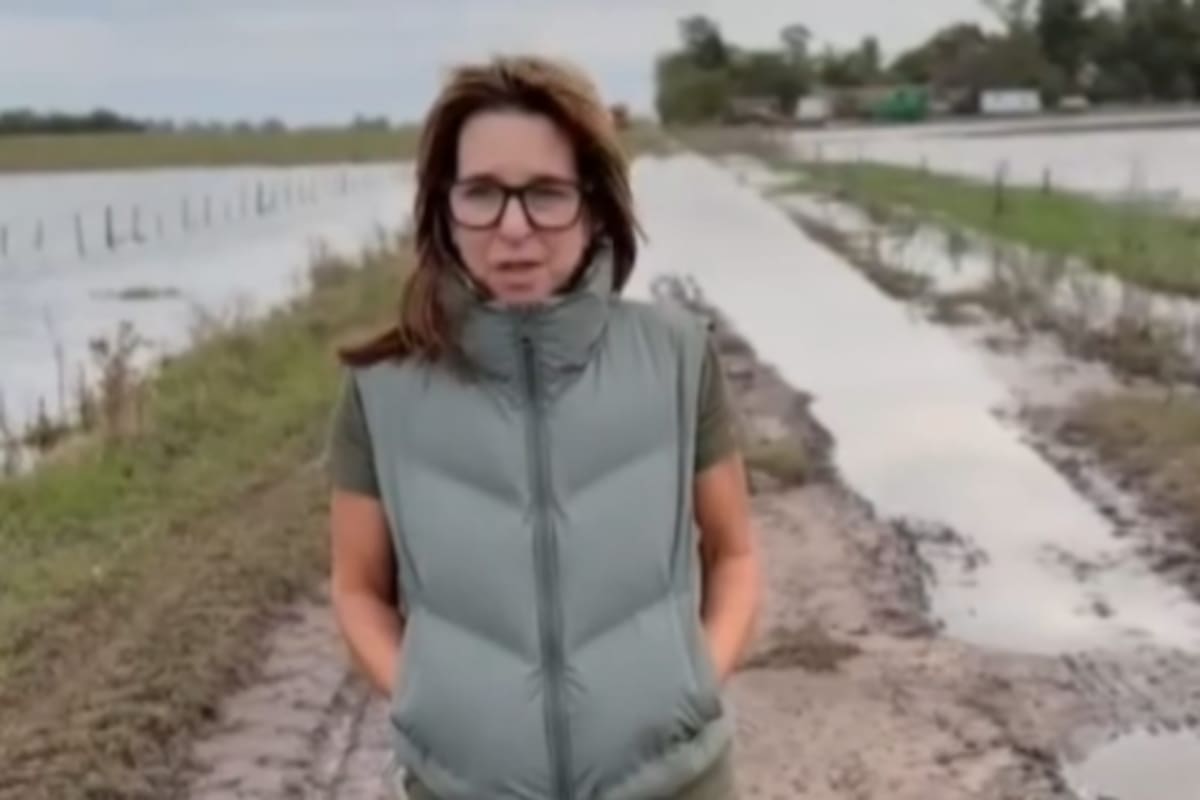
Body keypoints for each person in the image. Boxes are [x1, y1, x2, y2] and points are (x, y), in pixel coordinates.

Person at [325, 54, 762, 800]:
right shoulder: (381, 392)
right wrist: (427, 703)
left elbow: (735, 552)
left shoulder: (678, 355)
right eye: (483, 194)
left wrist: (697, 683)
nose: (516, 229)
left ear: (592, 204)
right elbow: (358, 588)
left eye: (547, 194)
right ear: (443, 207)